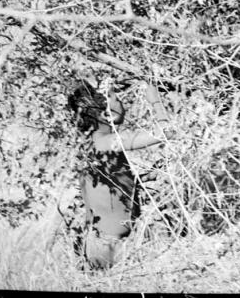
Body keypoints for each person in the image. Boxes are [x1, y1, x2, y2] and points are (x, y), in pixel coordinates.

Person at [67, 74, 172, 270]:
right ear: (107, 114)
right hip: (111, 247)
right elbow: (166, 132)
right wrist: (155, 100)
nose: (121, 105)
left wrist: (142, 179)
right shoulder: (107, 142)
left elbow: (108, 192)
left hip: (95, 243)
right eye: (116, 100)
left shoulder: (88, 146)